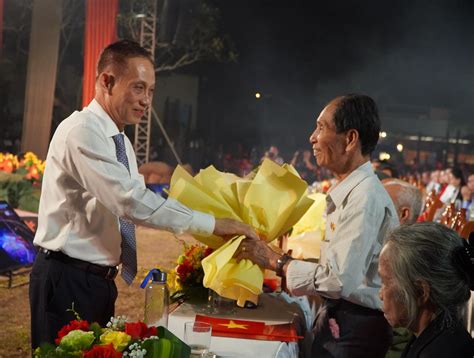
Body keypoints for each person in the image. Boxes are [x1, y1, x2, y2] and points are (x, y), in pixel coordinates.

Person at [29, 40, 258, 349]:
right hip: (68, 278)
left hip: (96, 280)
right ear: (107, 81)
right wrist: (213, 224)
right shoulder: (82, 131)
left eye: (151, 91)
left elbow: (135, 198)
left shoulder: (117, 139)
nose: (146, 100)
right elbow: (130, 201)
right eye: (138, 88)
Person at [237, 94, 399, 357]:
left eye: (322, 128)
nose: (312, 137)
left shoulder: (364, 198)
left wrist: (277, 262)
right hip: (343, 319)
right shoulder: (354, 191)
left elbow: (338, 279)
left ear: (350, 139)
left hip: (355, 329)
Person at [378, 222, 474, 357]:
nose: (380, 295)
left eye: (385, 282)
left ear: (420, 292)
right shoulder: (434, 335)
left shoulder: (441, 351)